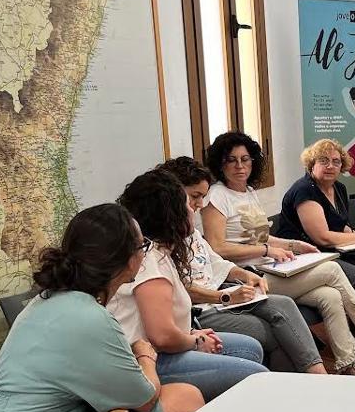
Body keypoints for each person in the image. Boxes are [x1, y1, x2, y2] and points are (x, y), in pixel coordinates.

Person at [0, 204, 204, 412]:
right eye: (142, 246)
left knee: (186, 397)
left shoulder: (53, 299)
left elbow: (113, 387)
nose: (144, 253)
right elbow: (146, 398)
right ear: (124, 260)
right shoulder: (86, 317)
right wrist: (145, 354)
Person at [201, 131, 355, 374]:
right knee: (331, 269)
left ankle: (349, 364)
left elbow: (260, 236)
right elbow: (217, 247)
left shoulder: (249, 192)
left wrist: (293, 245)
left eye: (245, 159)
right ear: (220, 164)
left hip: (270, 267)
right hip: (247, 277)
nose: (240, 166)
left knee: (330, 296)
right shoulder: (217, 196)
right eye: (231, 160)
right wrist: (267, 249)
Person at [158, 157, 331, 376]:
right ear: (173, 195)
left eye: (202, 197)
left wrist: (244, 275)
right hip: (204, 307)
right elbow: (181, 289)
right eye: (194, 197)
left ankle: (317, 377)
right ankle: (307, 382)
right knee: (276, 330)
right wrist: (226, 297)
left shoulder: (189, 230)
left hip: (222, 290)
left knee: (285, 304)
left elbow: (215, 260)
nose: (200, 204)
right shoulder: (163, 241)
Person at [108, 169, 268, 400]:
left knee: (249, 348)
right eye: (188, 203)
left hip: (164, 348)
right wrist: (195, 341)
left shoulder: (159, 251)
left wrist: (193, 333)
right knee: (258, 377)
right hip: (145, 362)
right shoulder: (150, 262)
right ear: (170, 213)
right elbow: (161, 337)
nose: (194, 209)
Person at [271, 139, 355, 319]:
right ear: (312, 164)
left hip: (334, 251)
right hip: (306, 255)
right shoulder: (304, 190)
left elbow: (340, 224)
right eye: (323, 161)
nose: (330, 166)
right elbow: (322, 238)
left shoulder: (339, 188)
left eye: (336, 162)